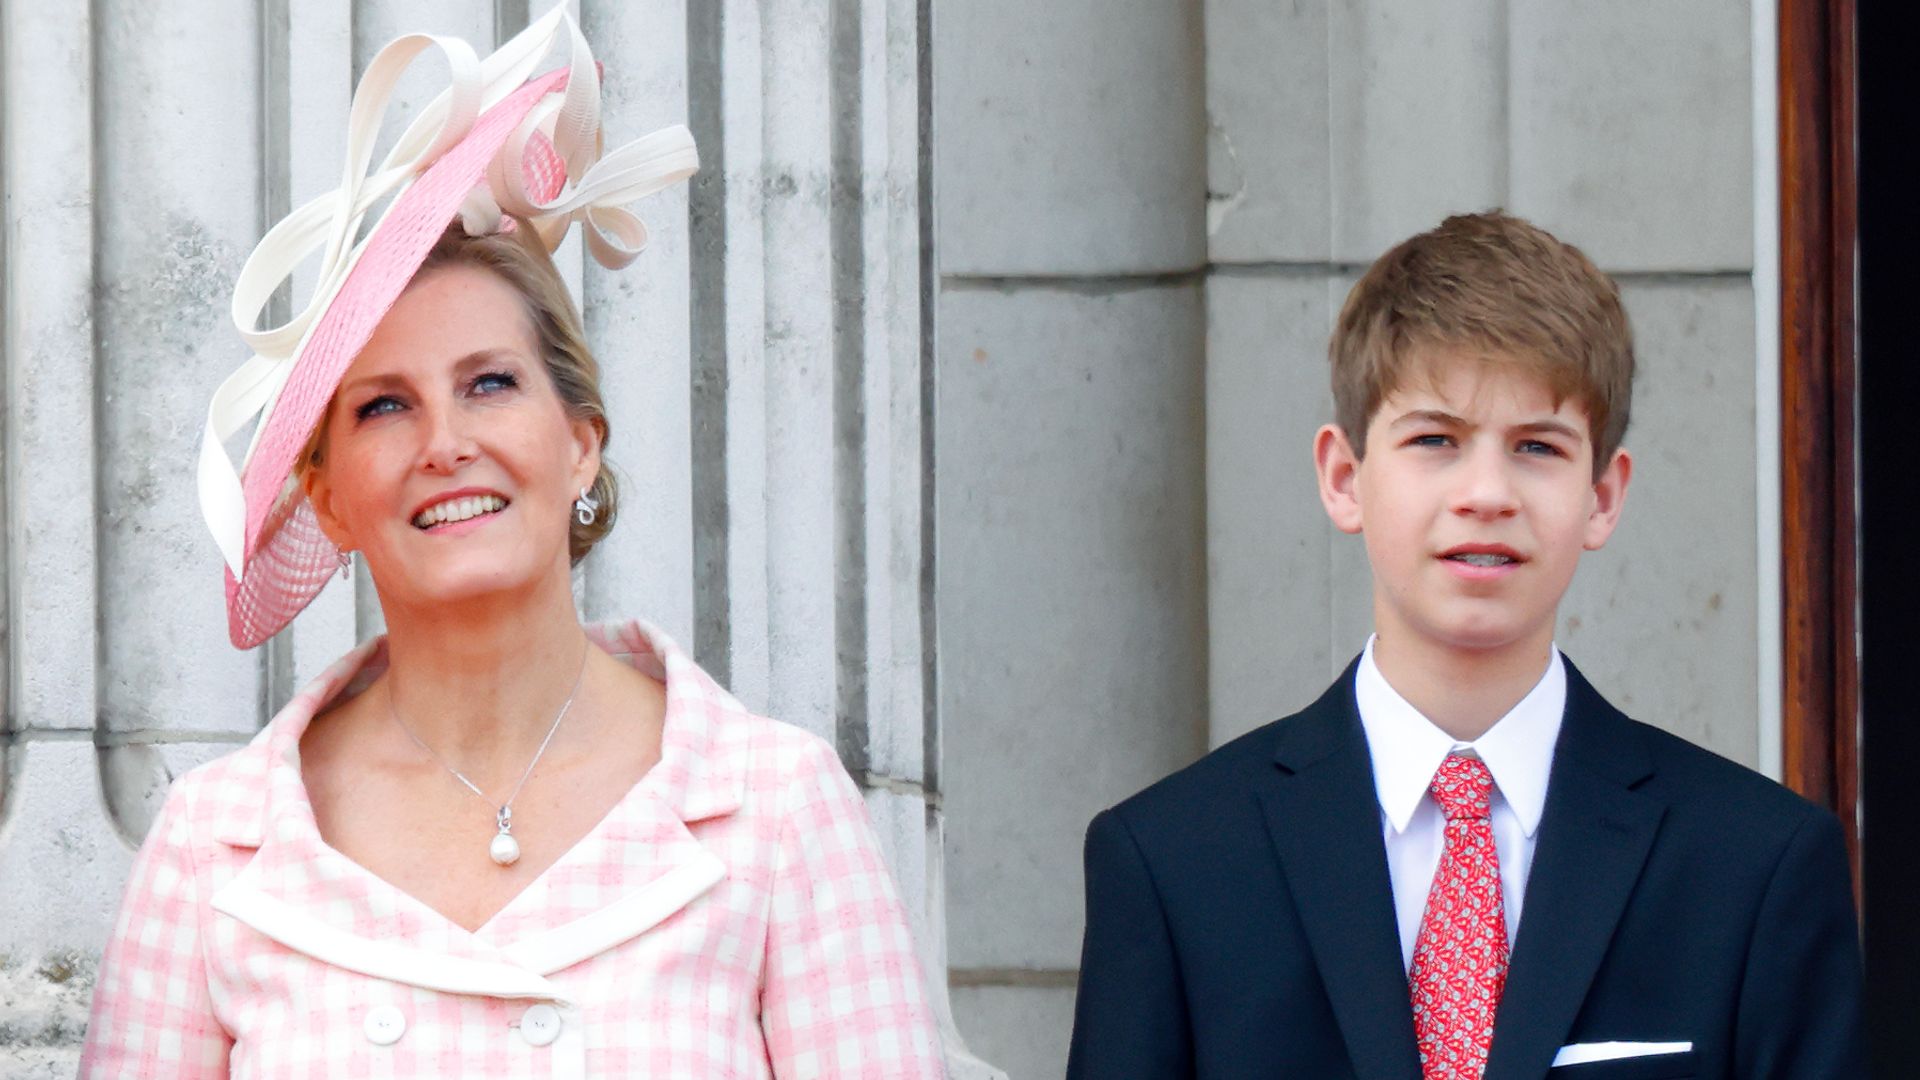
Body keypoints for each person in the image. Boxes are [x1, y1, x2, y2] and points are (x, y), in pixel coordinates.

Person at [81, 10, 944, 1078]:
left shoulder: (775, 806)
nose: (446, 444)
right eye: (383, 408)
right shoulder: (217, 843)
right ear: (330, 497)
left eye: (490, 383)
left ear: (579, 442)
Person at [1066, 211, 1865, 1079]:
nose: (1487, 492)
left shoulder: (1754, 865)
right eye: (1436, 440)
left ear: (1602, 496)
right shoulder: (1173, 859)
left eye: (1536, 446)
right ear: (1344, 479)